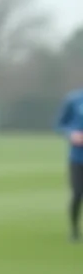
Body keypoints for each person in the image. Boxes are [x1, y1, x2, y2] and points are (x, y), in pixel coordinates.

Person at [54, 87, 83, 242]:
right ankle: (74, 230)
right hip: (78, 157)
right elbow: (59, 124)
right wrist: (71, 134)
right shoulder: (74, 99)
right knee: (78, 193)